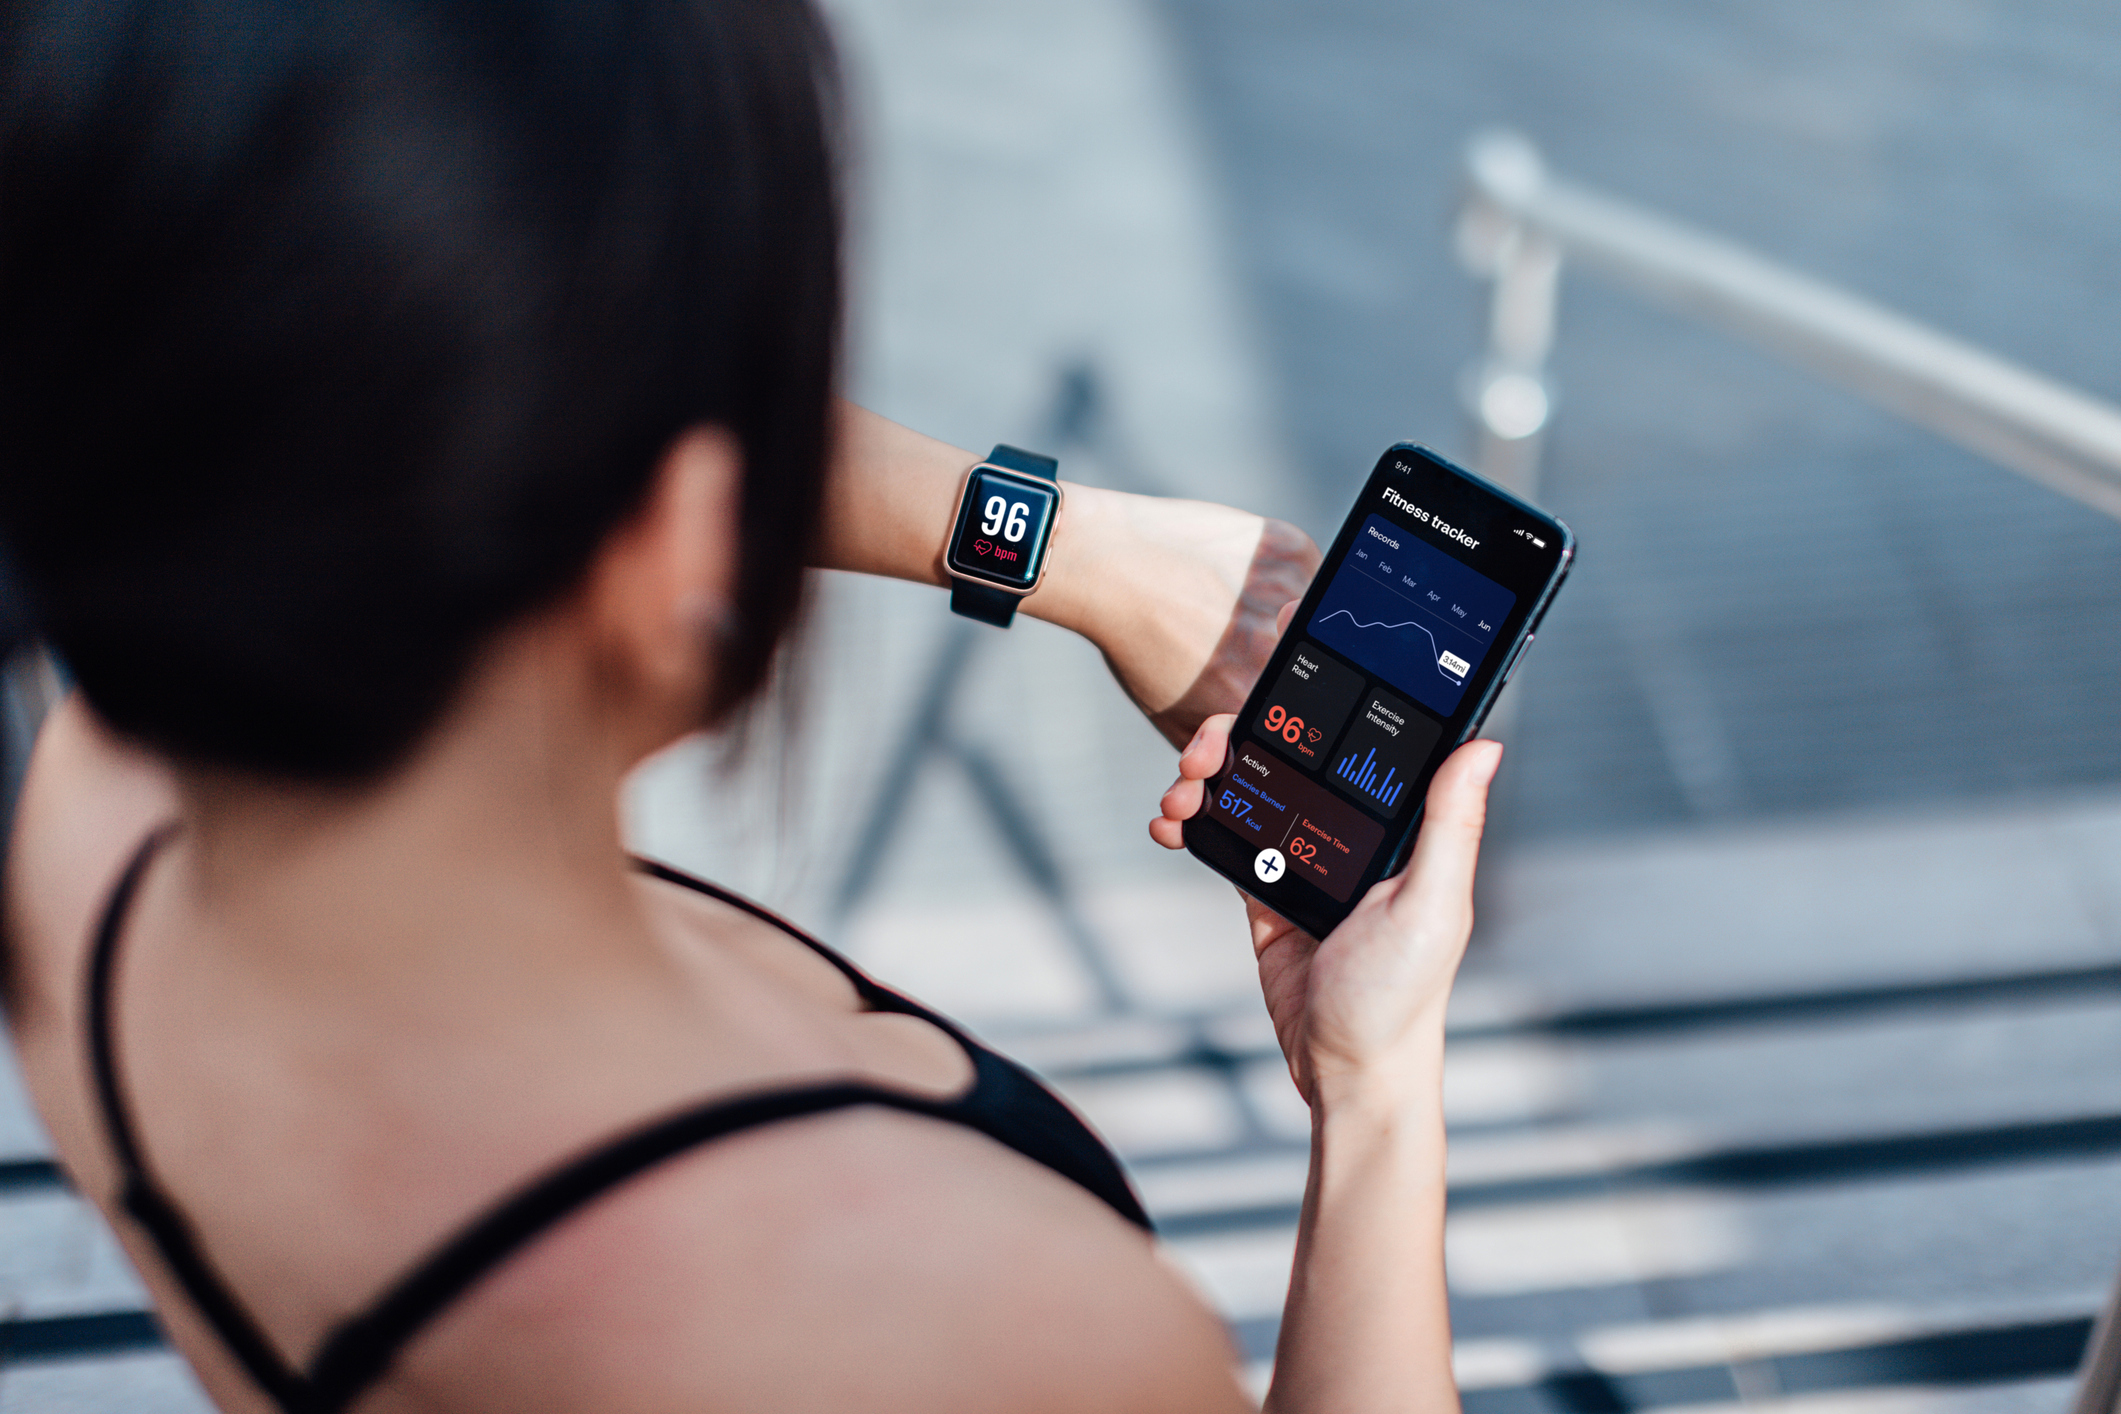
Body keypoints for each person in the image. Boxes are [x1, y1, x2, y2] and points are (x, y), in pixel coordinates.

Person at [0, 2, 1505, 1410]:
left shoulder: (94, 823)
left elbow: (382, 380)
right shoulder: (984, 1325)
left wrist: (1075, 550)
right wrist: (1373, 1096)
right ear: (685, 538)